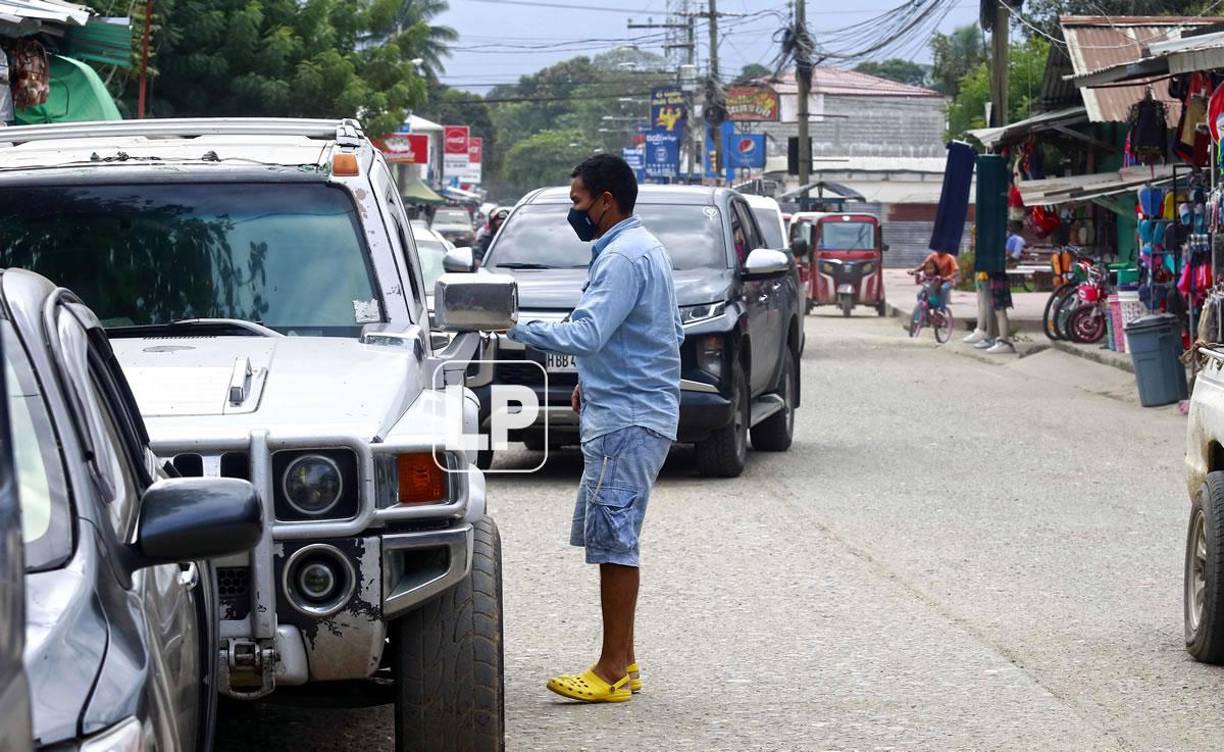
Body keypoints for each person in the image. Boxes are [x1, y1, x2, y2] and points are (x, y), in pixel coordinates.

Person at [506, 154, 683, 704]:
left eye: (578, 201)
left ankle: (610, 672)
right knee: (612, 535)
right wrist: (593, 377)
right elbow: (665, 331)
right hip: (630, 409)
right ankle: (625, 662)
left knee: (615, 541)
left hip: (627, 418)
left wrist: (510, 326)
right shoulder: (642, 248)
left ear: (607, 200)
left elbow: (586, 333)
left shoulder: (623, 257)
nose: (574, 212)